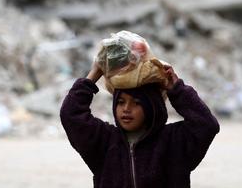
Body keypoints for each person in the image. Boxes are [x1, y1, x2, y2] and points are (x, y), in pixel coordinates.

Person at [60, 63, 219, 188]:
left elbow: (206, 125)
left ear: (152, 107)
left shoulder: (173, 141)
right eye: (121, 102)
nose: (126, 109)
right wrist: (94, 74)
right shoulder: (105, 141)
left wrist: (177, 90)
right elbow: (71, 115)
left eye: (136, 103)